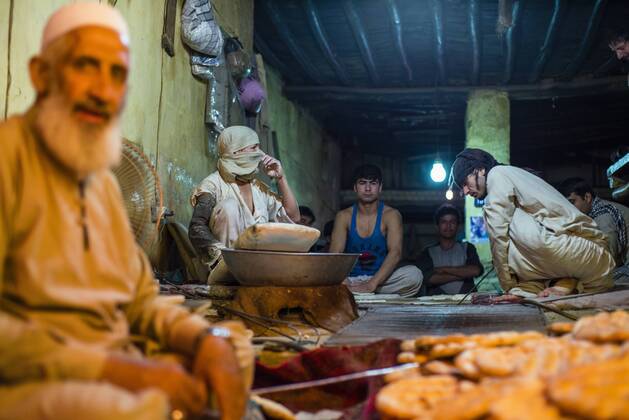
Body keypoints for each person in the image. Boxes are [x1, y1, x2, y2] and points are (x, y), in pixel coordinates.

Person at [0, 4, 251, 419]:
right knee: (137, 408)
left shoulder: (99, 185)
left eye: (116, 74)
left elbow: (139, 302)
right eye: (85, 66)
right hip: (36, 375)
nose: (102, 90)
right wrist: (120, 372)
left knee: (233, 348)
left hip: (111, 361)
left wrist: (201, 340)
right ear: (42, 75)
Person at [449, 148, 615, 298]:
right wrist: (518, 291)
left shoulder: (497, 174)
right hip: (590, 264)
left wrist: (507, 285)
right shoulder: (511, 175)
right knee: (504, 222)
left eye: (465, 182)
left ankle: (545, 283)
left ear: (480, 170)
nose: (465, 191)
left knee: (501, 222)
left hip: (589, 252)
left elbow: (498, 237)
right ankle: (557, 283)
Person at [188, 126, 300, 282]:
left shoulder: (258, 189)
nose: (260, 153)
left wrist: (281, 178)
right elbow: (196, 227)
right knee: (229, 206)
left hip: (256, 272)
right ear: (236, 151)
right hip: (224, 273)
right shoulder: (213, 185)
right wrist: (221, 257)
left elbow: (294, 217)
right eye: (254, 147)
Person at [329, 164, 423, 297]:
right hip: (350, 280)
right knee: (322, 275)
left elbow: (396, 253)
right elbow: (335, 254)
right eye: (362, 183)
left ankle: (358, 293)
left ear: (380, 188)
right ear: (355, 188)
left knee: (414, 275)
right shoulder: (344, 216)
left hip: (381, 280)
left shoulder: (391, 215)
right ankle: (354, 291)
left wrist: (372, 283)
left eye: (373, 183)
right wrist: (345, 282)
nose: (367, 188)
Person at [558, 177, 629, 283]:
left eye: (572, 202)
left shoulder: (603, 214)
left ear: (587, 197)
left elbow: (608, 257)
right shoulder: (592, 214)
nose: (569, 208)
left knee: (601, 284)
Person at [416, 204, 484, 295]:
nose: (448, 226)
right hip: (436, 304)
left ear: (458, 226)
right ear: (437, 226)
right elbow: (429, 279)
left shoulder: (468, 247)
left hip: (467, 303)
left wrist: (443, 269)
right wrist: (464, 275)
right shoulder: (427, 252)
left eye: (452, 222)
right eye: (444, 222)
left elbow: (475, 271)